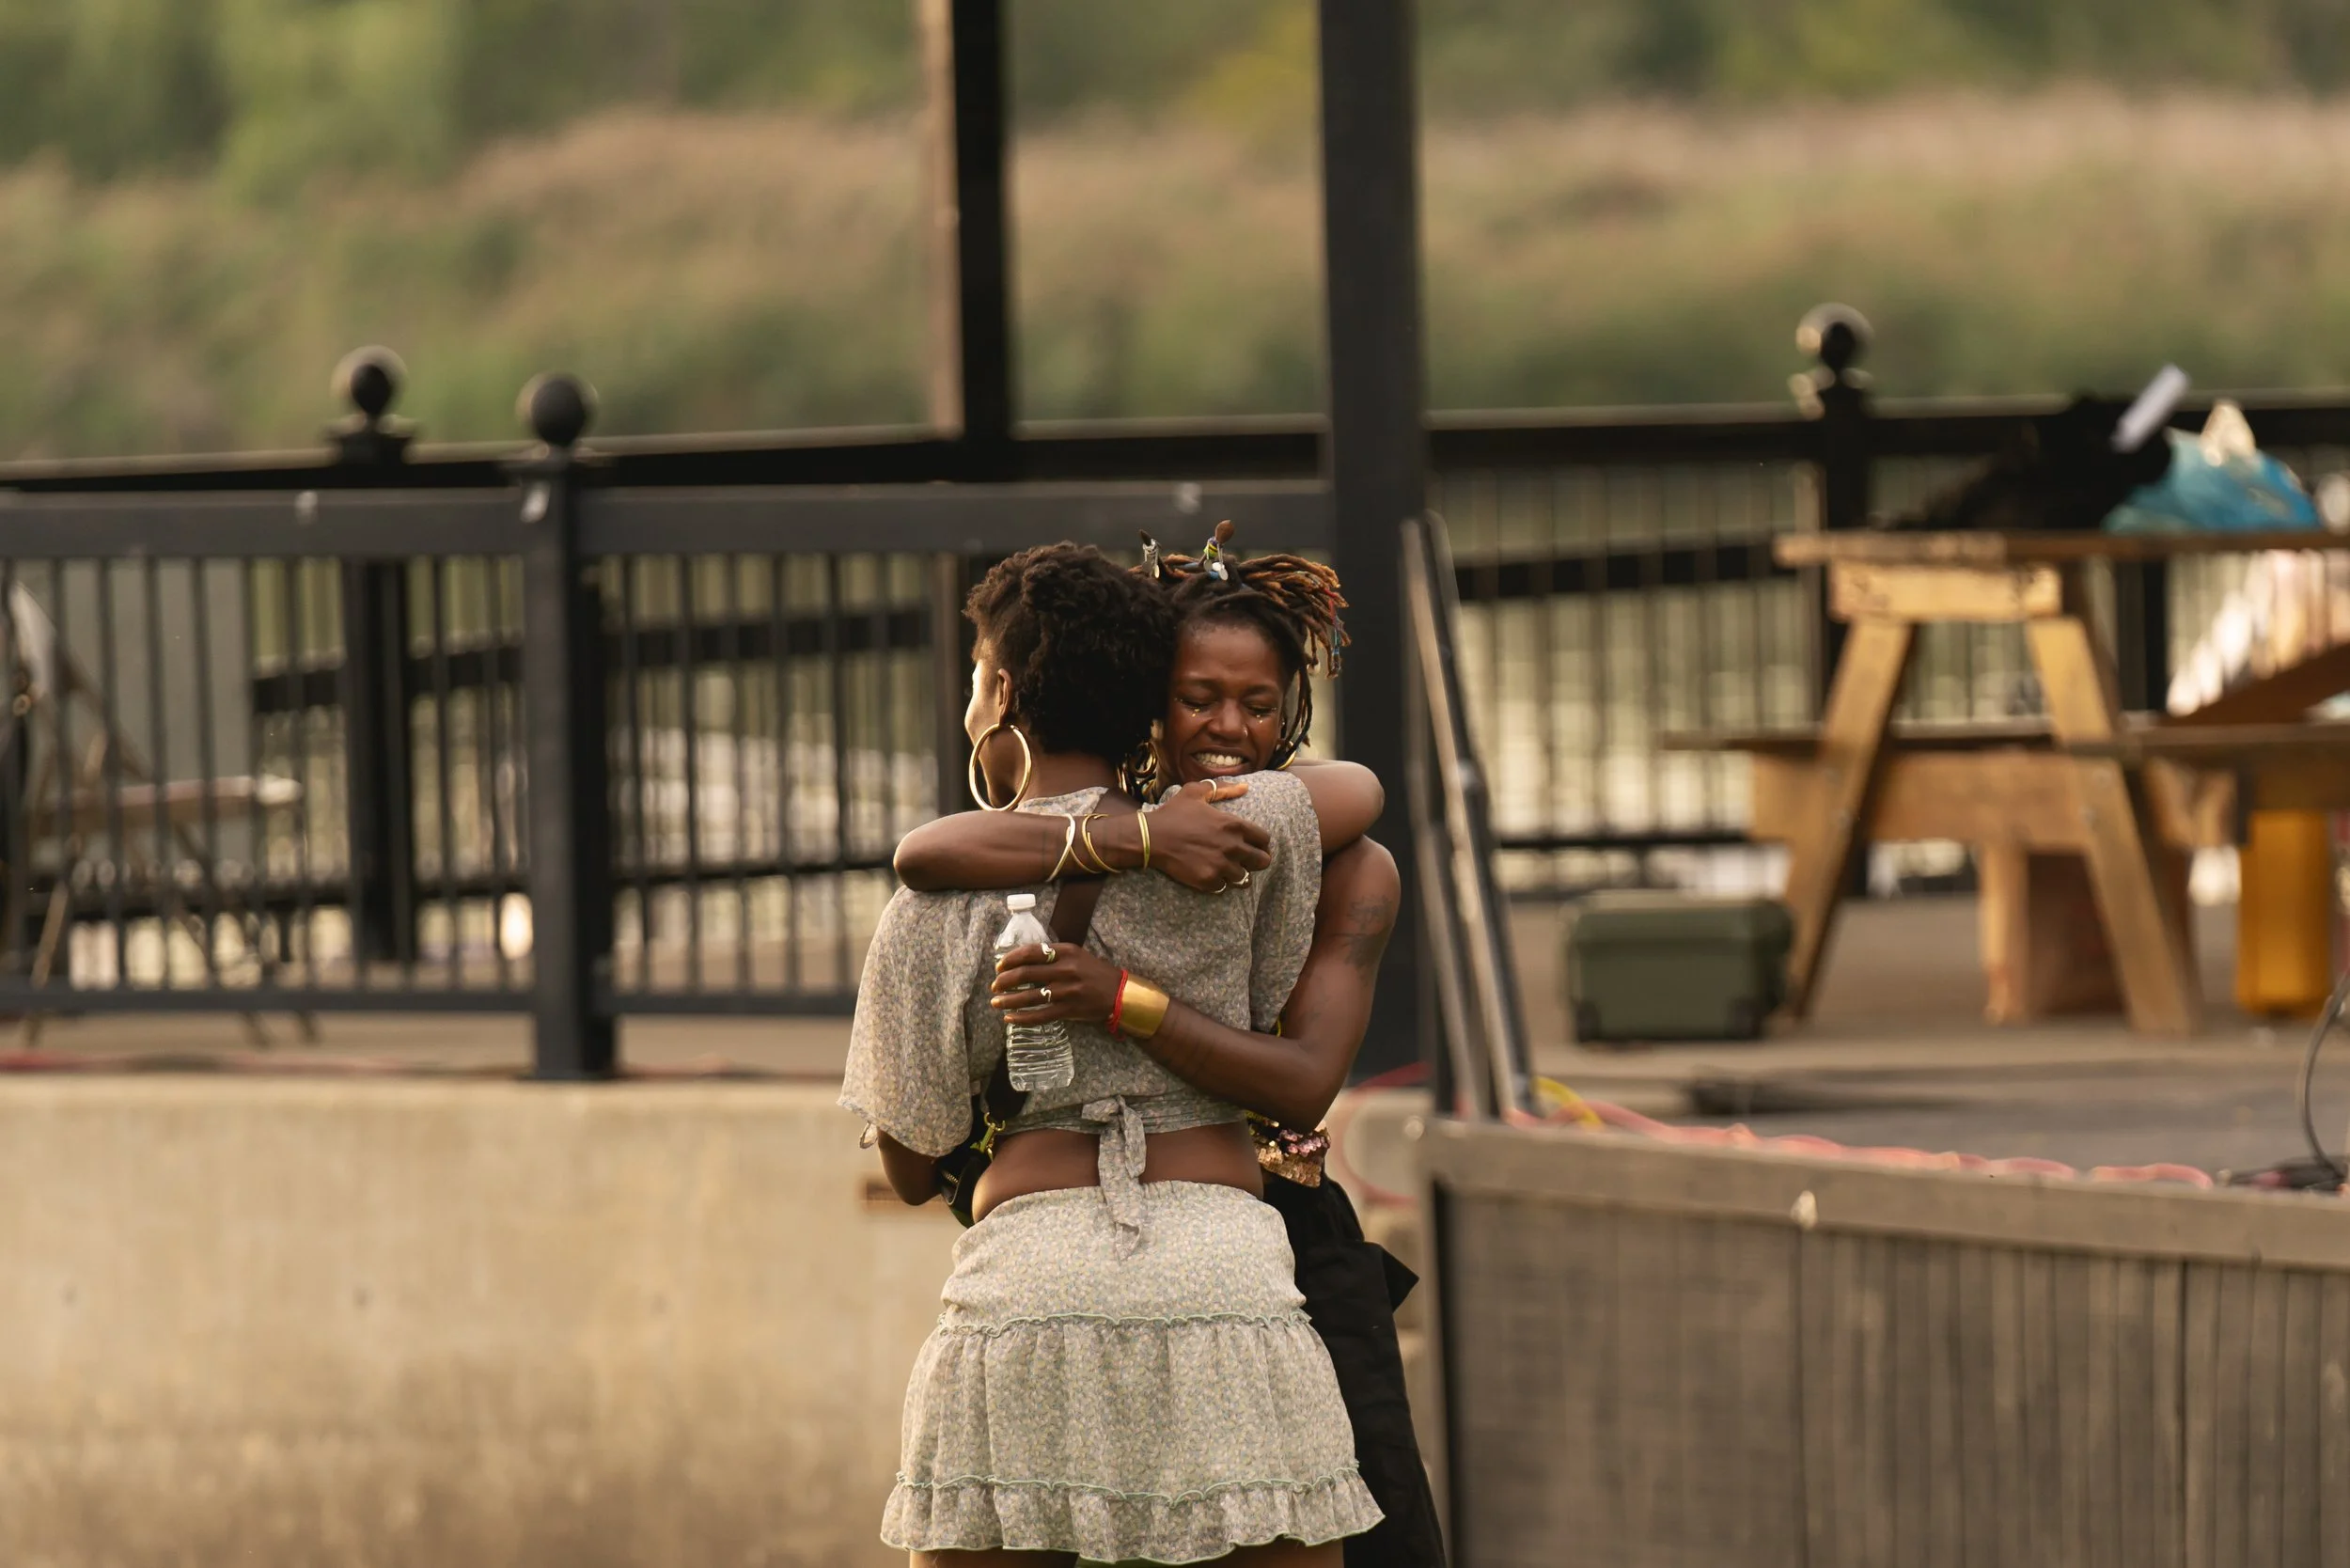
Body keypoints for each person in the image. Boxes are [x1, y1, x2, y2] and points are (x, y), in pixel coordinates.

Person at [892, 526, 1447, 1568]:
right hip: (1201, 1242)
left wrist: (1124, 1000)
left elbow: (1305, 1080)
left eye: (1259, 704)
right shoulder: (1135, 829)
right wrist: (1142, 838)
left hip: (1283, 1240)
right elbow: (926, 851)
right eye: (1197, 697)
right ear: (1146, 697)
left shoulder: (1304, 842)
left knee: (1390, 1530)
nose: (1228, 727)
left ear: (1292, 710)